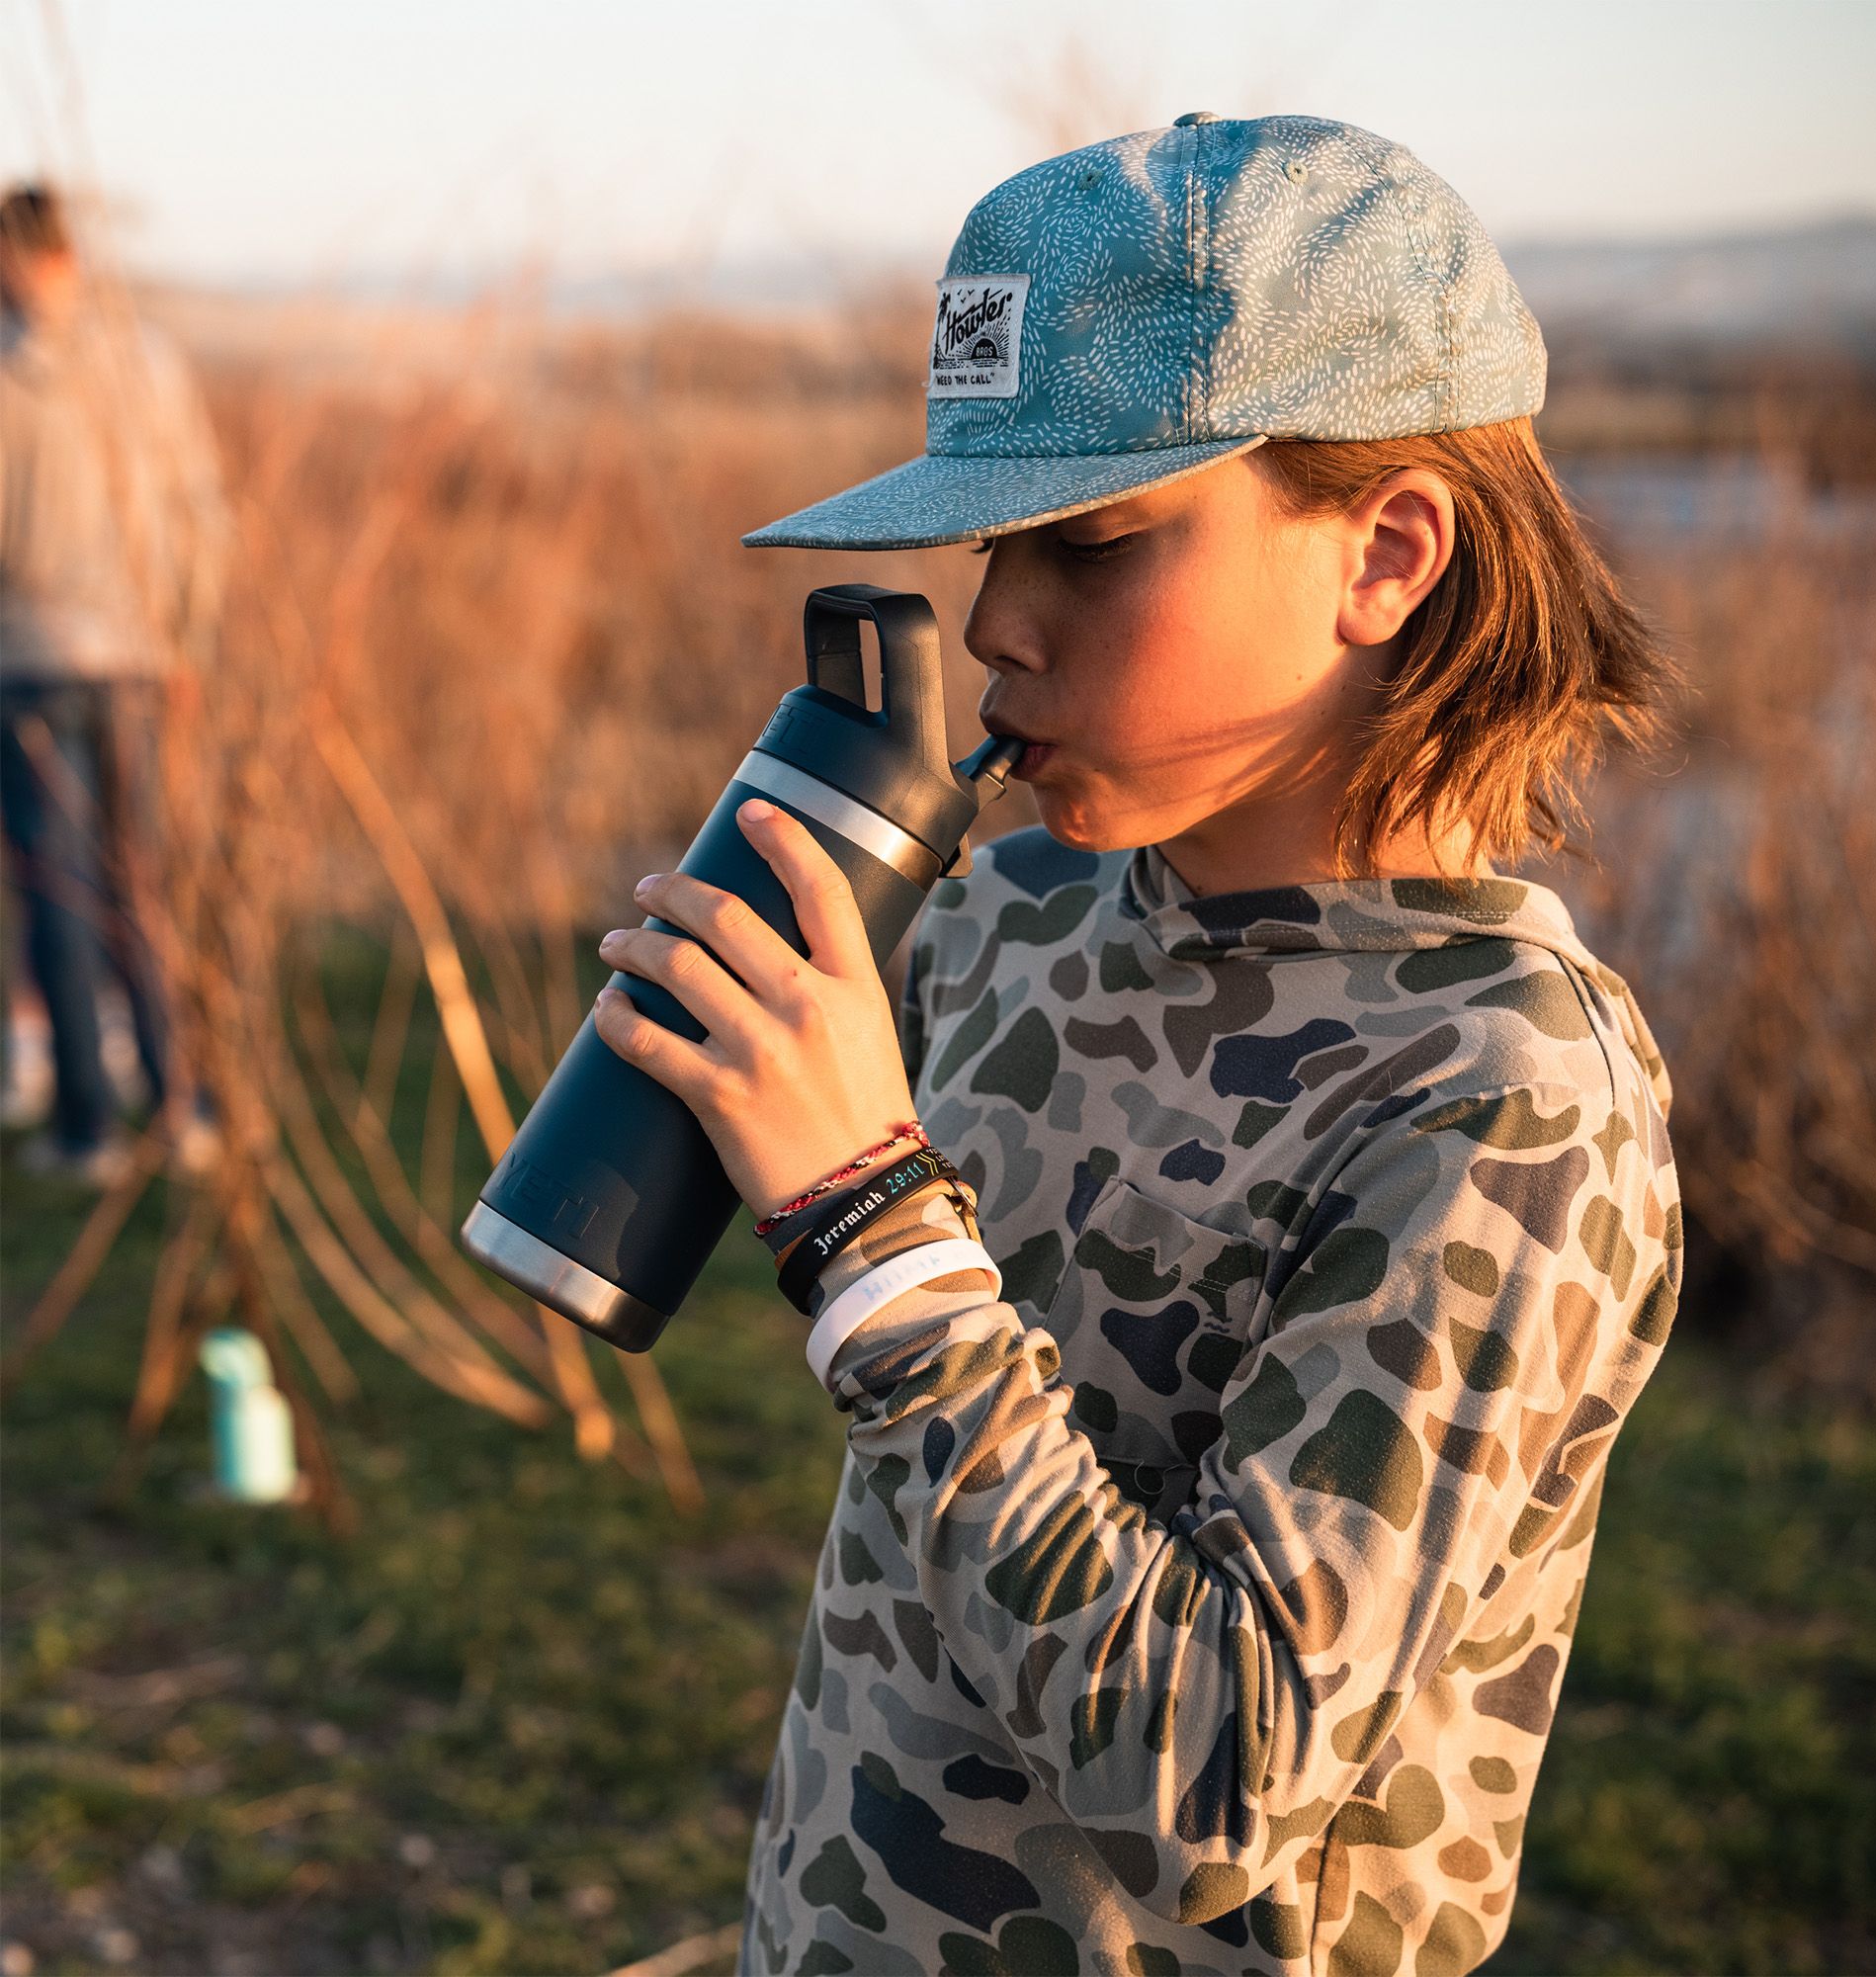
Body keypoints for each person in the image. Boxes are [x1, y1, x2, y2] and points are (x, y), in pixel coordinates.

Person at [594, 116, 1682, 1975]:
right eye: (991, 541)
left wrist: (868, 1217)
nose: (997, 619)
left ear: (1389, 555)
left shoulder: (1506, 1093)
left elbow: (1223, 1787)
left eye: (1092, 543)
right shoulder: (1008, 918)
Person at [0, 182, 226, 1182]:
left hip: (33, 661)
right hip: (139, 654)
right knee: (141, 882)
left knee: (57, 886)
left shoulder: (10, 372)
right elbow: (196, 511)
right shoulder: (148, 361)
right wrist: (187, 638)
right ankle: (184, 1106)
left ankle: (87, 1125)